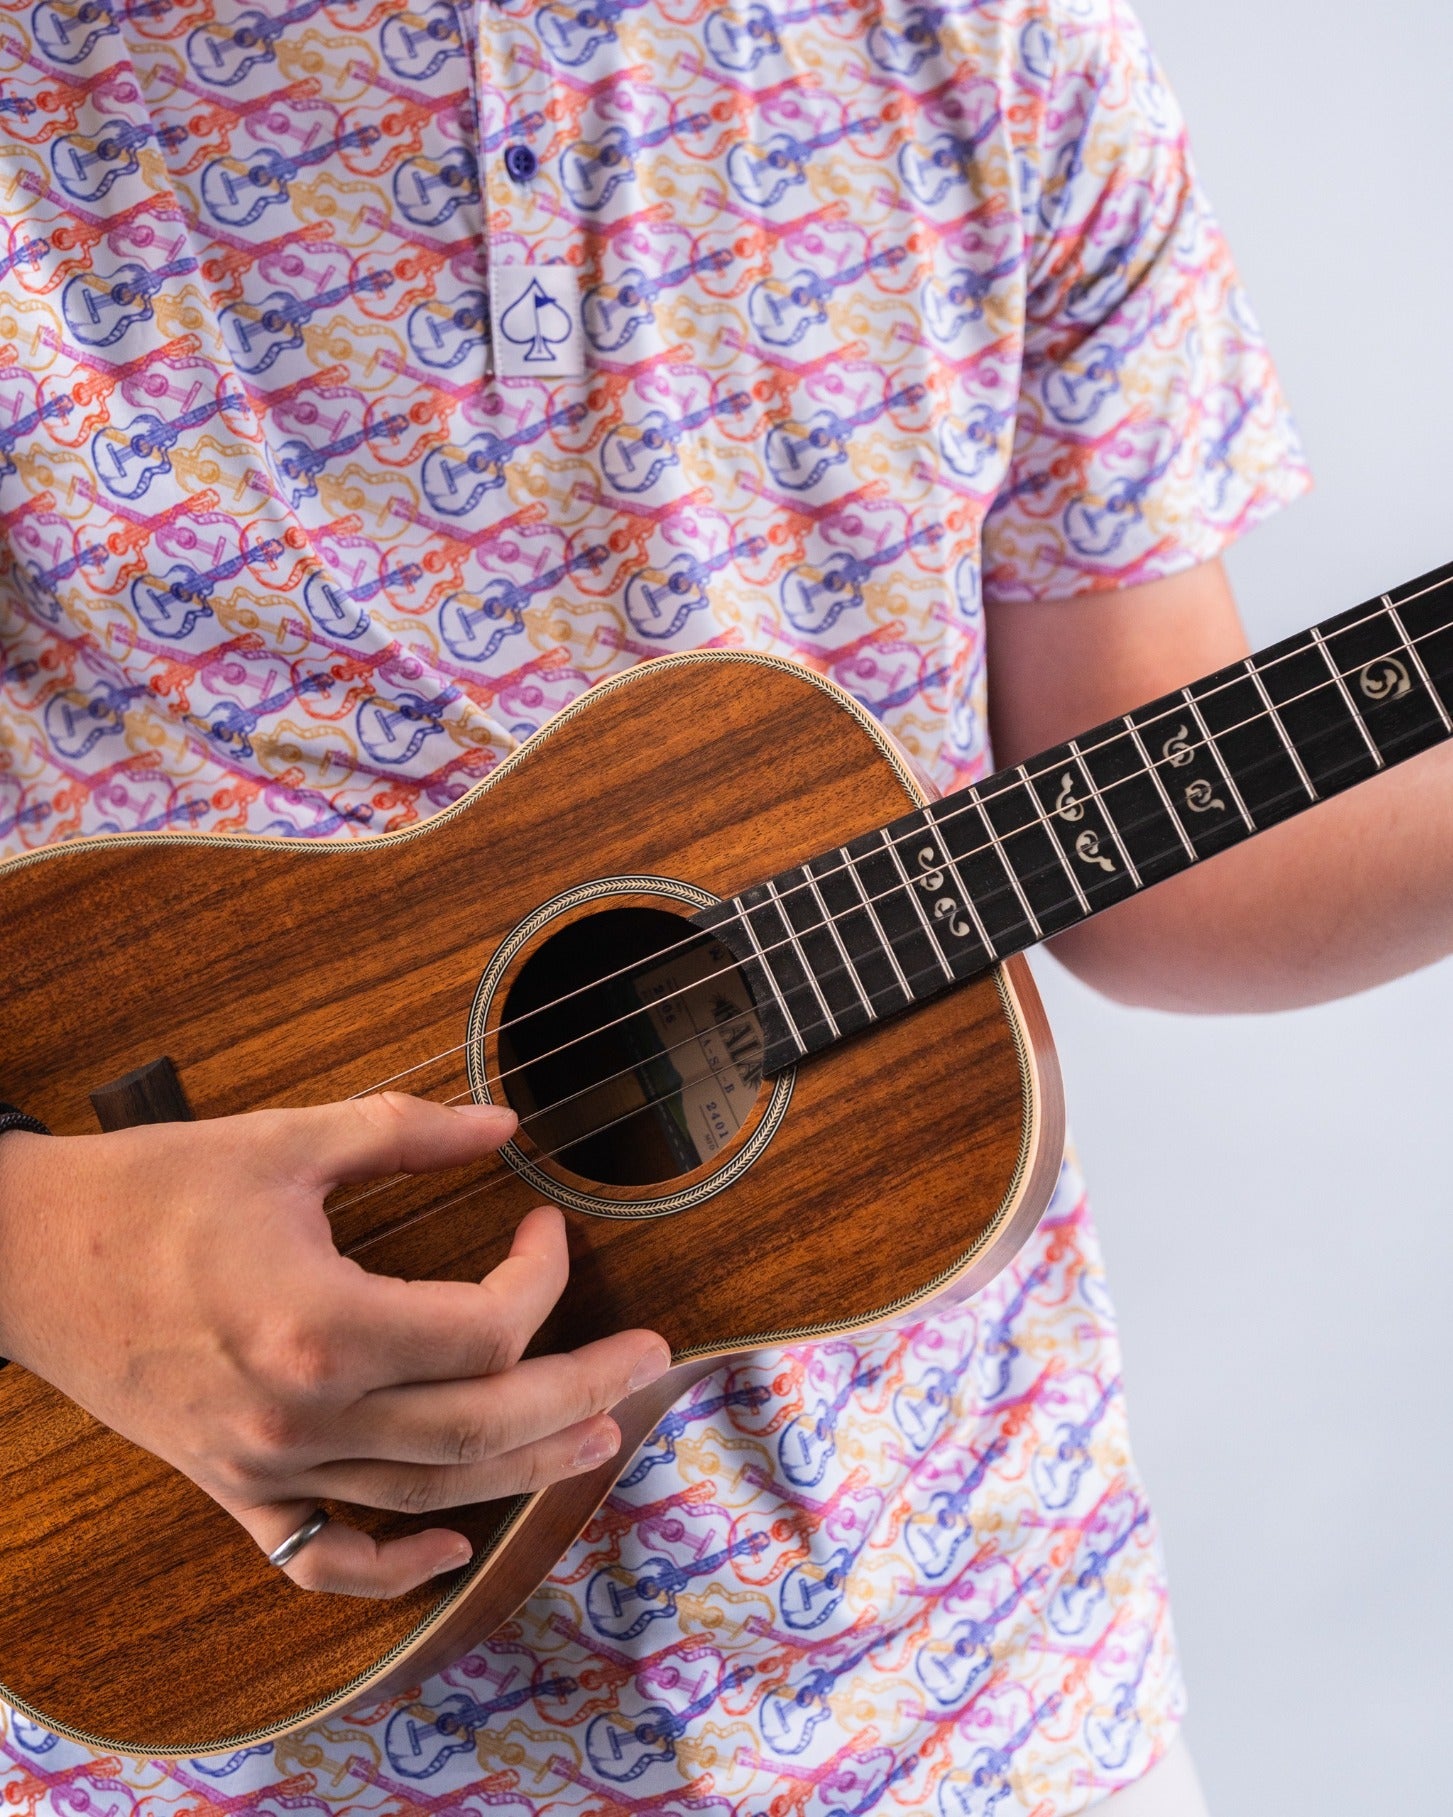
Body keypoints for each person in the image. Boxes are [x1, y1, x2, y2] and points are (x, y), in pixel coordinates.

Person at [0, 0, 1448, 1810]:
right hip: (234, 1744)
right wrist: (39, 1248)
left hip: (980, 1692)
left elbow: (1165, 841)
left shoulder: (996, 43)